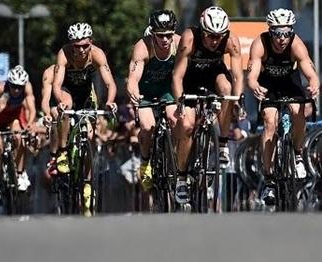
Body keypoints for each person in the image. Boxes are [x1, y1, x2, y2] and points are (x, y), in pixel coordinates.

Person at [246, 8, 320, 205]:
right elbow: (251, 76)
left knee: (298, 111)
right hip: (267, 84)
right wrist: (255, 86)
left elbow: (311, 73)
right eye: (277, 34)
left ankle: (297, 155)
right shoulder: (260, 44)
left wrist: (313, 86)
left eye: (286, 33)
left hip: (290, 82)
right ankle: (269, 179)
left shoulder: (296, 44)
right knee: (270, 121)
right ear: (271, 32)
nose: (282, 39)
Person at [172, 5, 243, 203]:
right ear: (202, 31)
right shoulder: (189, 39)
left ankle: (222, 144)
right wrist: (180, 103)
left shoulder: (231, 41)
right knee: (187, 126)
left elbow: (237, 76)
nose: (215, 41)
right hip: (189, 79)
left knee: (227, 91)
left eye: (219, 36)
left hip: (214, 74)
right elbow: (177, 76)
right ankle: (181, 178)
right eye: (210, 35)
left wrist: (238, 100)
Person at [52, 22, 118, 214]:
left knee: (88, 136)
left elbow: (110, 84)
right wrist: (60, 102)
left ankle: (87, 183)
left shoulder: (97, 54)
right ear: (71, 45)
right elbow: (56, 84)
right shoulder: (64, 54)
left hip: (87, 95)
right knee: (68, 106)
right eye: (77, 46)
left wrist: (111, 101)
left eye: (85, 46)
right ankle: (63, 152)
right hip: (67, 91)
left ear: (91, 43)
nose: (81, 50)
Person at [126, 9, 181, 192]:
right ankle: (145, 161)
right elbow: (133, 78)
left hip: (168, 91)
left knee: (175, 120)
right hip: (145, 92)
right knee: (148, 127)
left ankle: (174, 158)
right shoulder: (143, 46)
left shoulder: (180, 44)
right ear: (152, 33)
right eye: (160, 36)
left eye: (168, 35)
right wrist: (134, 95)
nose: (165, 40)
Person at [0, 65, 36, 194]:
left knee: (19, 138)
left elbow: (32, 108)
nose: (16, 90)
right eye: (14, 86)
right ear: (9, 83)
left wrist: (30, 123)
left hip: (12, 118)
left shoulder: (27, 88)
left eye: (19, 87)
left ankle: (20, 173)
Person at [41, 64, 59, 175]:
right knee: (56, 114)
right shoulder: (49, 73)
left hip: (74, 104)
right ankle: (54, 156)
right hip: (56, 106)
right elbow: (46, 99)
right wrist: (47, 114)